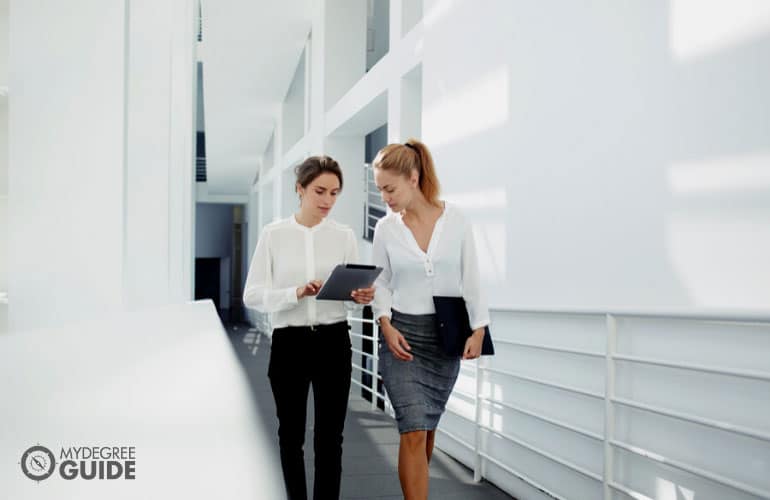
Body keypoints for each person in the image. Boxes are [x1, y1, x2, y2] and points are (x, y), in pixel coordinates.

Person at [243, 155, 374, 500]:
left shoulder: (344, 236)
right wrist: (296, 292)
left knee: (331, 438)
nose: (327, 200)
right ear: (299, 189)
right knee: (291, 436)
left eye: (334, 193)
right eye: (320, 191)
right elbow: (252, 294)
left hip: (334, 342)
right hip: (290, 343)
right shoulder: (274, 235)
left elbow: (347, 298)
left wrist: (359, 296)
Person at [371, 139, 490, 500]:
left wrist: (479, 328)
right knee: (413, 430)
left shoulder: (457, 220)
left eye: (389, 189)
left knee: (427, 427)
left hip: (444, 338)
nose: (385, 198)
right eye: (379, 190)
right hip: (401, 337)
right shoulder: (386, 229)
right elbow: (380, 282)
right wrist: (385, 323)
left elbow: (472, 276)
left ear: (413, 178)